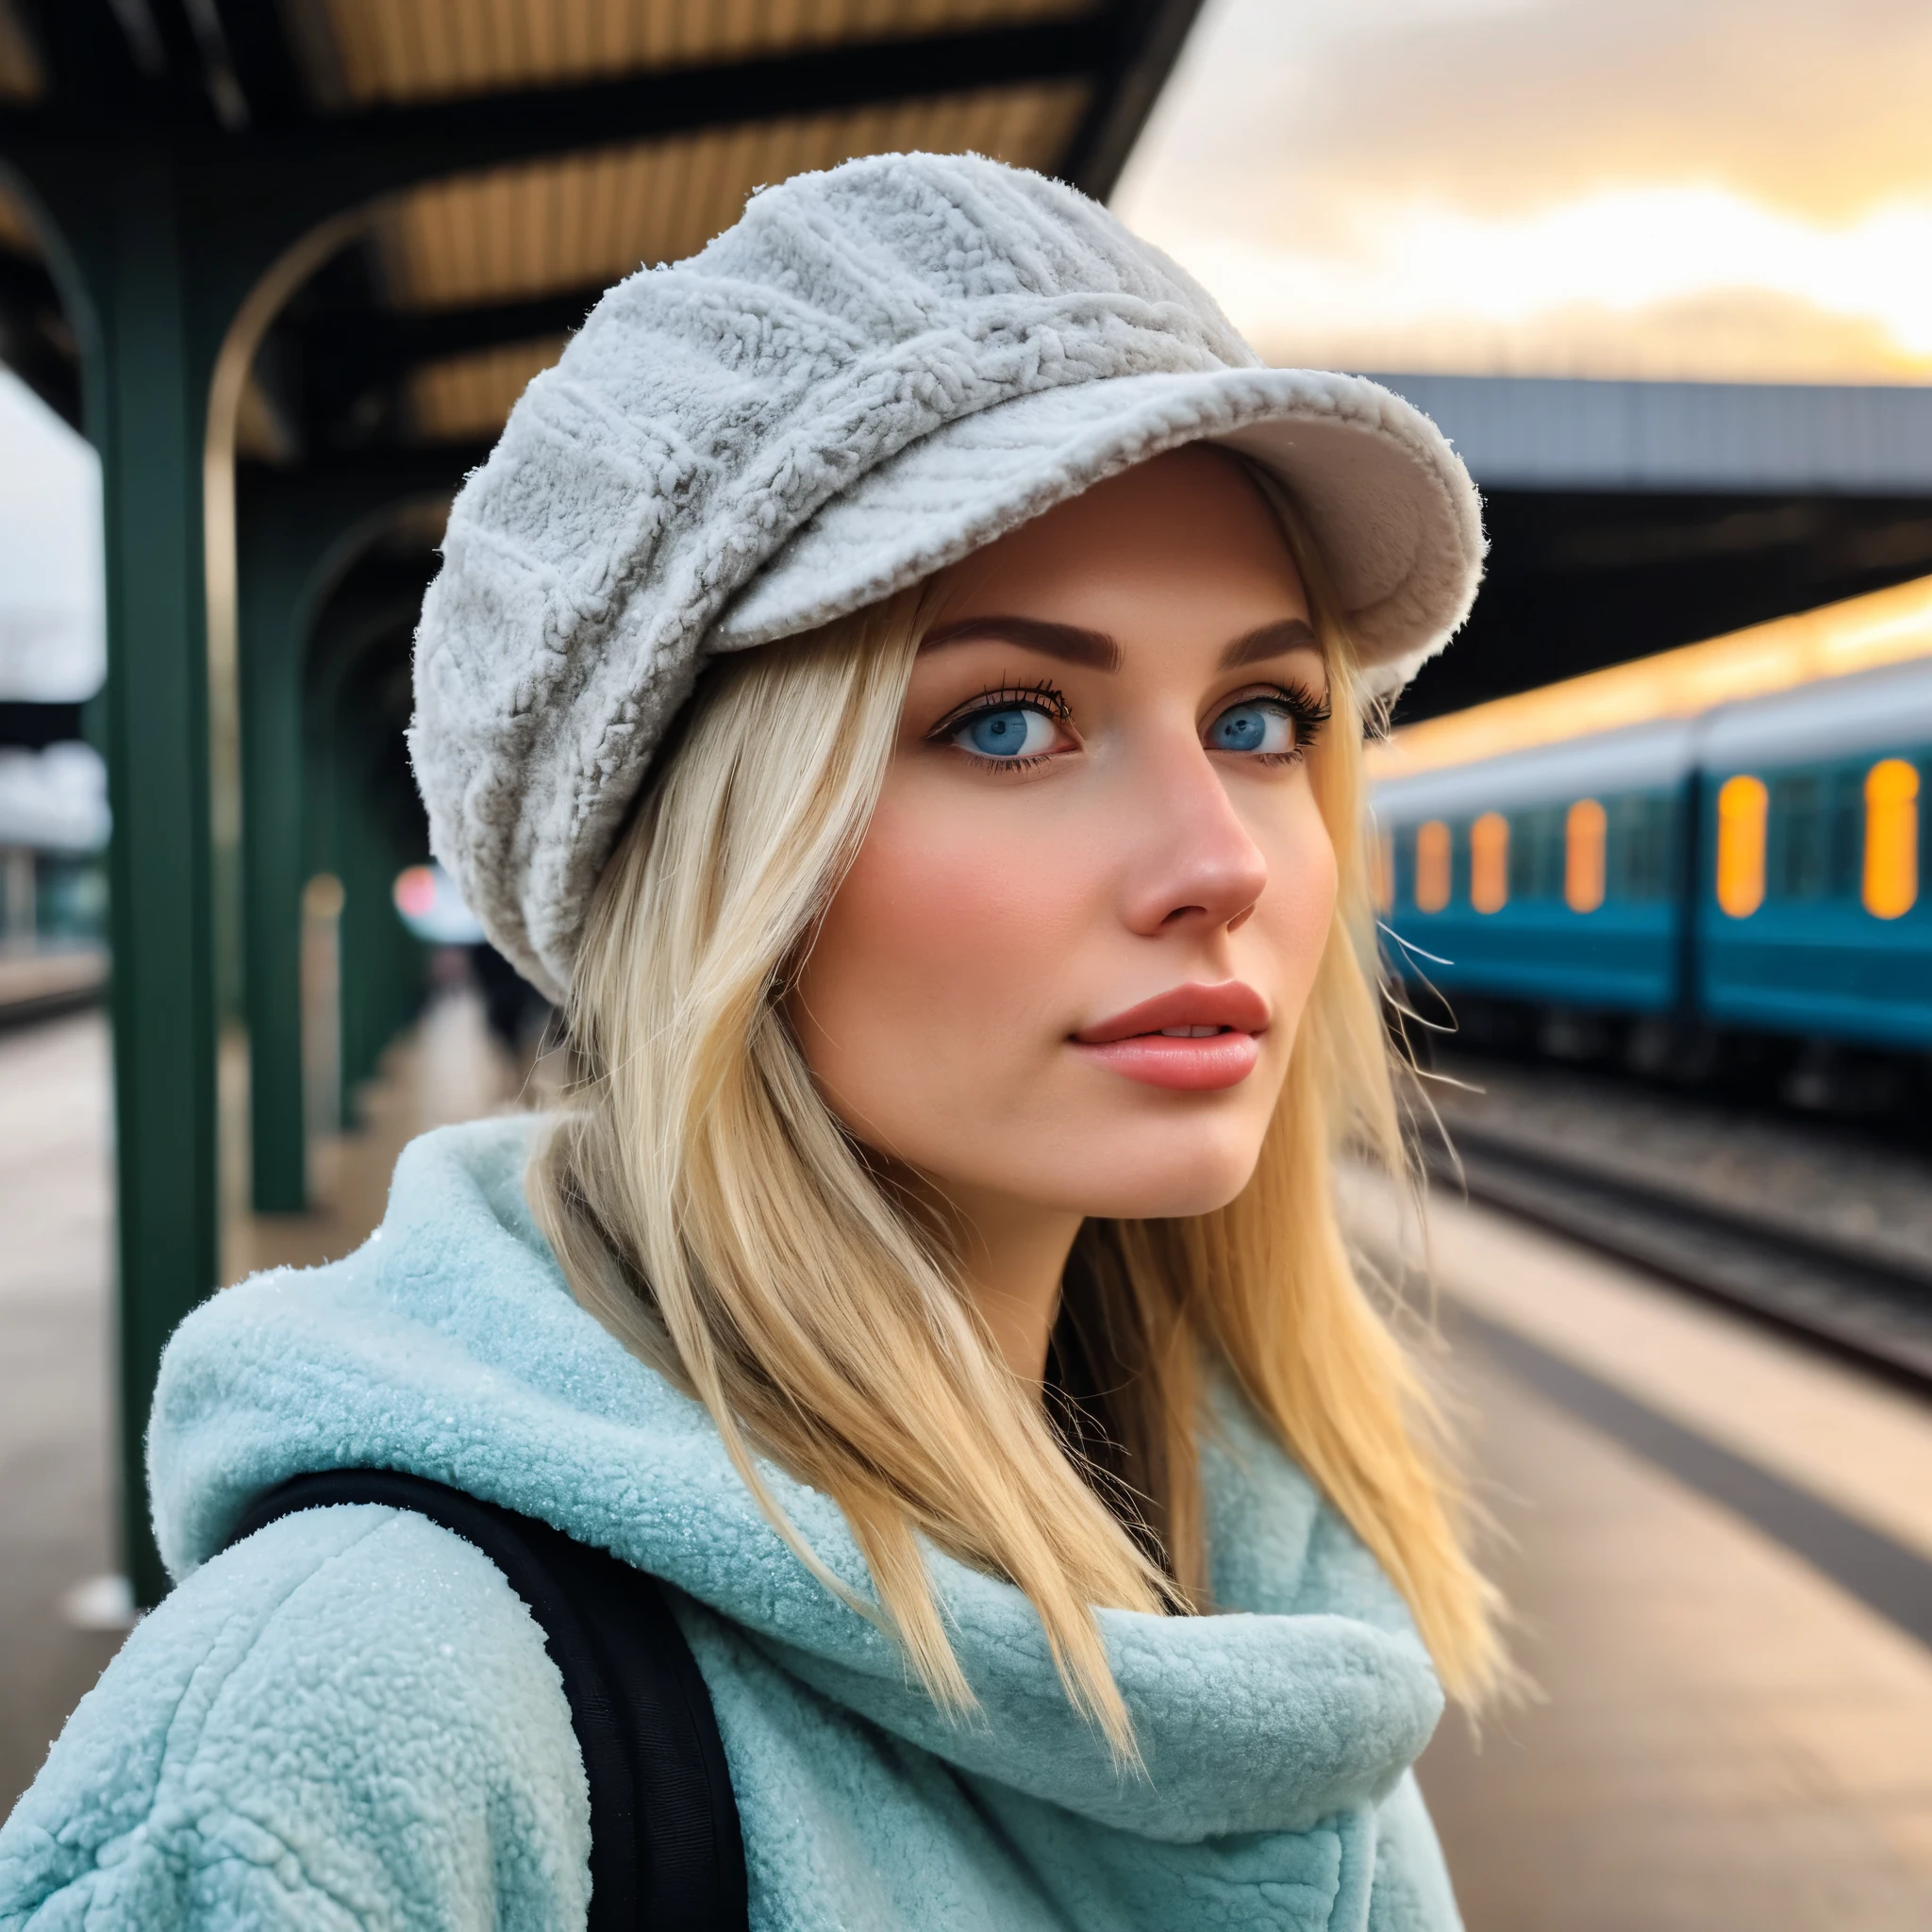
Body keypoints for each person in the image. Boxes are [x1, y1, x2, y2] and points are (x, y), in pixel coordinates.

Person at [0, 153, 1499, 1928]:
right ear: (715, 859)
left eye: (1263, 716)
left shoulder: (1274, 1598)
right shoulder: (364, 1714)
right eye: (1010, 722)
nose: (1219, 861)